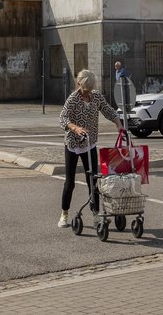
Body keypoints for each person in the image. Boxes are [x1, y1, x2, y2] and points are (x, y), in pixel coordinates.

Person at [58, 68, 121, 228]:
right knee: (70, 182)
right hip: (73, 144)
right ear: (79, 84)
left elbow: (107, 110)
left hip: (89, 143)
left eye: (90, 89)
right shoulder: (73, 99)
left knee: (93, 180)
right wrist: (75, 128)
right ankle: (64, 214)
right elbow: (62, 118)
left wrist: (118, 123)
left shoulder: (96, 96)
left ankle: (95, 214)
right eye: (86, 88)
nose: (88, 91)